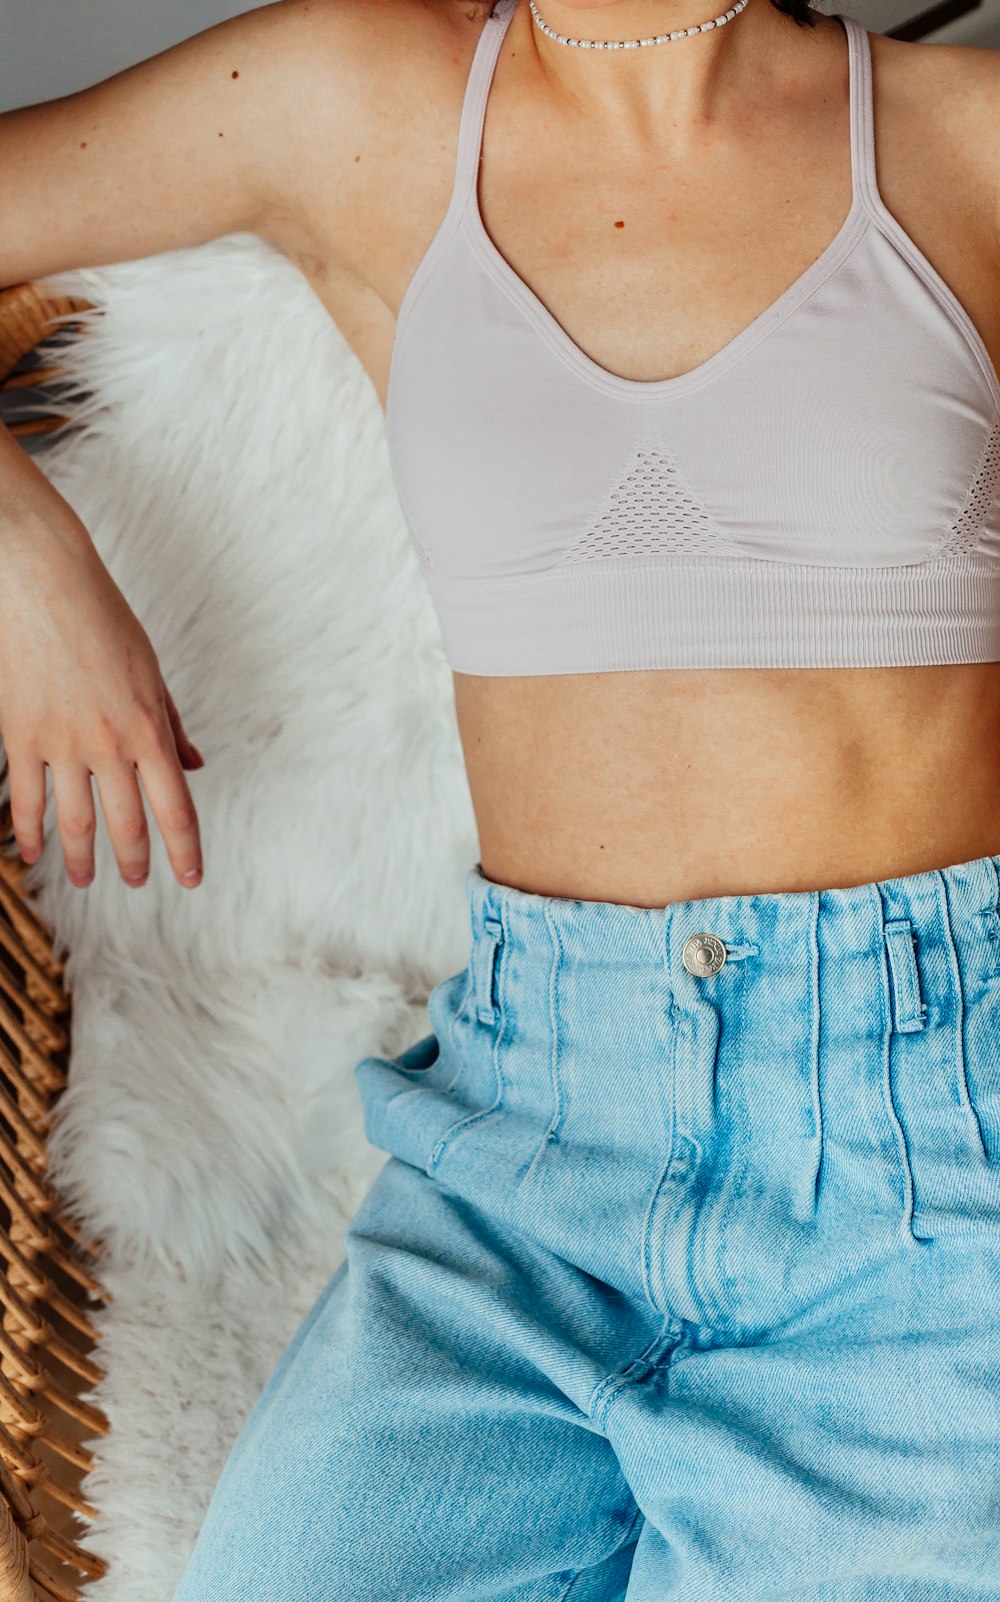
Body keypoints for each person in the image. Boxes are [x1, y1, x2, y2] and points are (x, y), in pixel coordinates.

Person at [2, 0, 1000, 1593]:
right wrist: (23, 555)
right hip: (524, 1159)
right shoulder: (356, 103)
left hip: (927, 1172)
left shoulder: (965, 134)